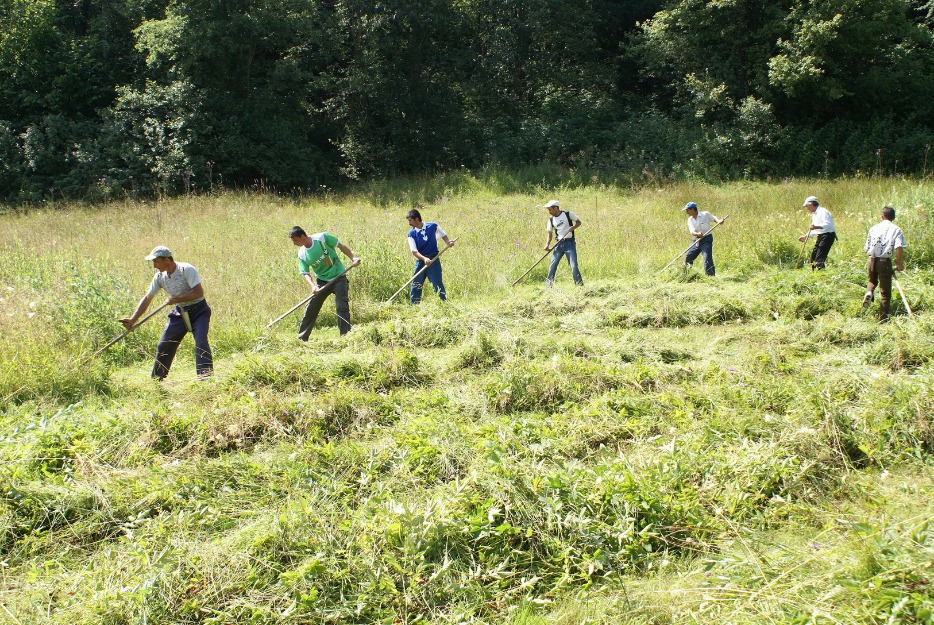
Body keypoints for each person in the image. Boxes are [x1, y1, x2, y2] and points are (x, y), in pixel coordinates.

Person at [119, 245, 213, 380]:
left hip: (199, 311)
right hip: (179, 313)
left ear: (166, 260)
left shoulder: (186, 270)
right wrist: (133, 319)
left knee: (201, 343)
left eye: (156, 261)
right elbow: (147, 298)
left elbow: (199, 293)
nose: (154, 266)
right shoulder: (159, 277)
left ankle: (206, 378)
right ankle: (157, 379)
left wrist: (177, 299)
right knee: (164, 344)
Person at [289, 226, 361, 341]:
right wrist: (313, 286)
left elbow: (340, 246)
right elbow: (305, 273)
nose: (294, 244)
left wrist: (353, 258)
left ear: (302, 236)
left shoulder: (322, 238)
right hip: (322, 282)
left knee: (342, 307)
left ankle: (346, 338)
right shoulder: (302, 254)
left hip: (339, 277)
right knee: (311, 308)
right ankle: (302, 339)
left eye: (295, 240)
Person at [863, 205, 906, 322]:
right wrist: (899, 263)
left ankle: (869, 292)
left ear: (882, 216)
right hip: (884, 261)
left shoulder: (873, 228)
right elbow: (899, 247)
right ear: (894, 217)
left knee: (872, 281)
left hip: (871, 259)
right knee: (885, 291)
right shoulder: (896, 230)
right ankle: (883, 318)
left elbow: (866, 248)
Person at [406, 209, 454, 304]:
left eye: (410, 220)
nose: (409, 223)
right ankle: (414, 307)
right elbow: (414, 251)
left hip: (434, 260)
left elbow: (443, 234)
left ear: (417, 219)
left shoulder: (432, 226)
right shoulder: (411, 234)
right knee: (416, 284)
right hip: (421, 261)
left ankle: (443, 304)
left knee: (437, 284)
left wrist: (448, 242)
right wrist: (424, 259)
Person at [544, 200, 583, 286]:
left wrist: (573, 227)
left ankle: (579, 286)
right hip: (558, 245)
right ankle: (548, 286)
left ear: (556, 208)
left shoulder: (567, 214)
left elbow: (579, 222)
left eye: (550, 209)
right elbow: (549, 234)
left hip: (570, 244)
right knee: (552, 266)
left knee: (573, 266)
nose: (549, 212)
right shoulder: (551, 220)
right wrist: (547, 245)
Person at [682, 201, 725, 276]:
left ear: (692, 209)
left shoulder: (705, 214)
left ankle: (710, 276)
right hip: (696, 240)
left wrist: (719, 221)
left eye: (687, 210)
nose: (686, 212)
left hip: (706, 239)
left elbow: (714, 218)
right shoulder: (690, 220)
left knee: (707, 257)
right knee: (688, 256)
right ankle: (686, 274)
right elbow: (692, 231)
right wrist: (697, 234)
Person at [798, 196, 836, 270]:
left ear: (811, 204)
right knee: (813, 256)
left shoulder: (823, 212)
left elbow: (828, 225)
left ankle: (821, 274)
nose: (807, 208)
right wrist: (806, 236)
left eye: (807, 206)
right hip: (821, 236)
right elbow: (813, 228)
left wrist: (816, 227)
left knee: (819, 258)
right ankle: (814, 274)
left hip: (828, 236)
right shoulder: (815, 214)